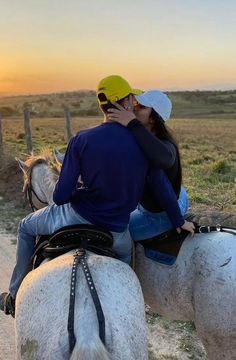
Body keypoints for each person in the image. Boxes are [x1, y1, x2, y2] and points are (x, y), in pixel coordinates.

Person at [0, 75, 192, 317]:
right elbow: (161, 185)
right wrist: (178, 221)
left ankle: (14, 295)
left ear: (100, 104)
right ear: (128, 101)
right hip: (116, 229)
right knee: (125, 258)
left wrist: (81, 187)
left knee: (26, 226)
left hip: (75, 216)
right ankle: (129, 308)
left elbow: (60, 197)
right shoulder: (143, 143)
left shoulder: (81, 139)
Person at [107, 89, 194, 240]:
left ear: (153, 119)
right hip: (178, 197)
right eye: (135, 103)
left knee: (112, 236)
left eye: (142, 107)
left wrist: (178, 221)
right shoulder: (144, 138)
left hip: (161, 214)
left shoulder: (162, 146)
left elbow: (160, 178)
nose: (134, 107)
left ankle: (127, 264)